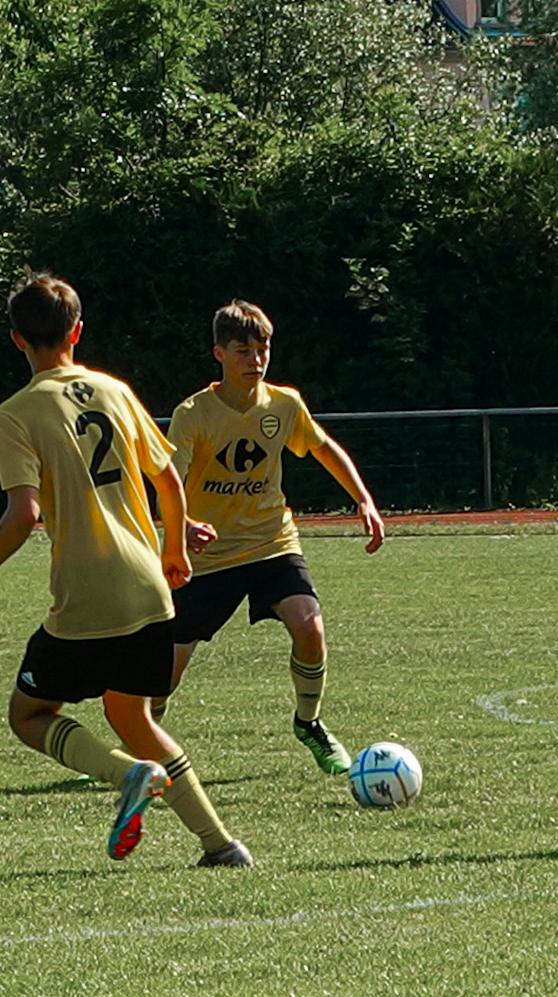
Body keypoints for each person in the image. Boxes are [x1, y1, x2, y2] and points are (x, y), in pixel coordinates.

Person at [0, 273, 252, 868]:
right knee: (131, 714)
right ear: (77, 331)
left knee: (29, 716)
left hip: (87, 594)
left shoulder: (16, 414)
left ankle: (126, 775)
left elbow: (25, 512)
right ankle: (221, 846)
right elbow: (168, 478)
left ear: (17, 339)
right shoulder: (115, 390)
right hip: (150, 588)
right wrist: (174, 549)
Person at [153, 300, 386, 775]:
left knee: (310, 626)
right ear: (218, 353)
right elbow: (167, 482)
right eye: (243, 350)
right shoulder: (193, 414)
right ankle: (142, 743)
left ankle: (310, 723)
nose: (255, 359)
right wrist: (182, 526)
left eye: (262, 349)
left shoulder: (284, 404)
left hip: (271, 543)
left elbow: (324, 448)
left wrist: (363, 498)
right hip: (209, 558)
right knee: (165, 670)